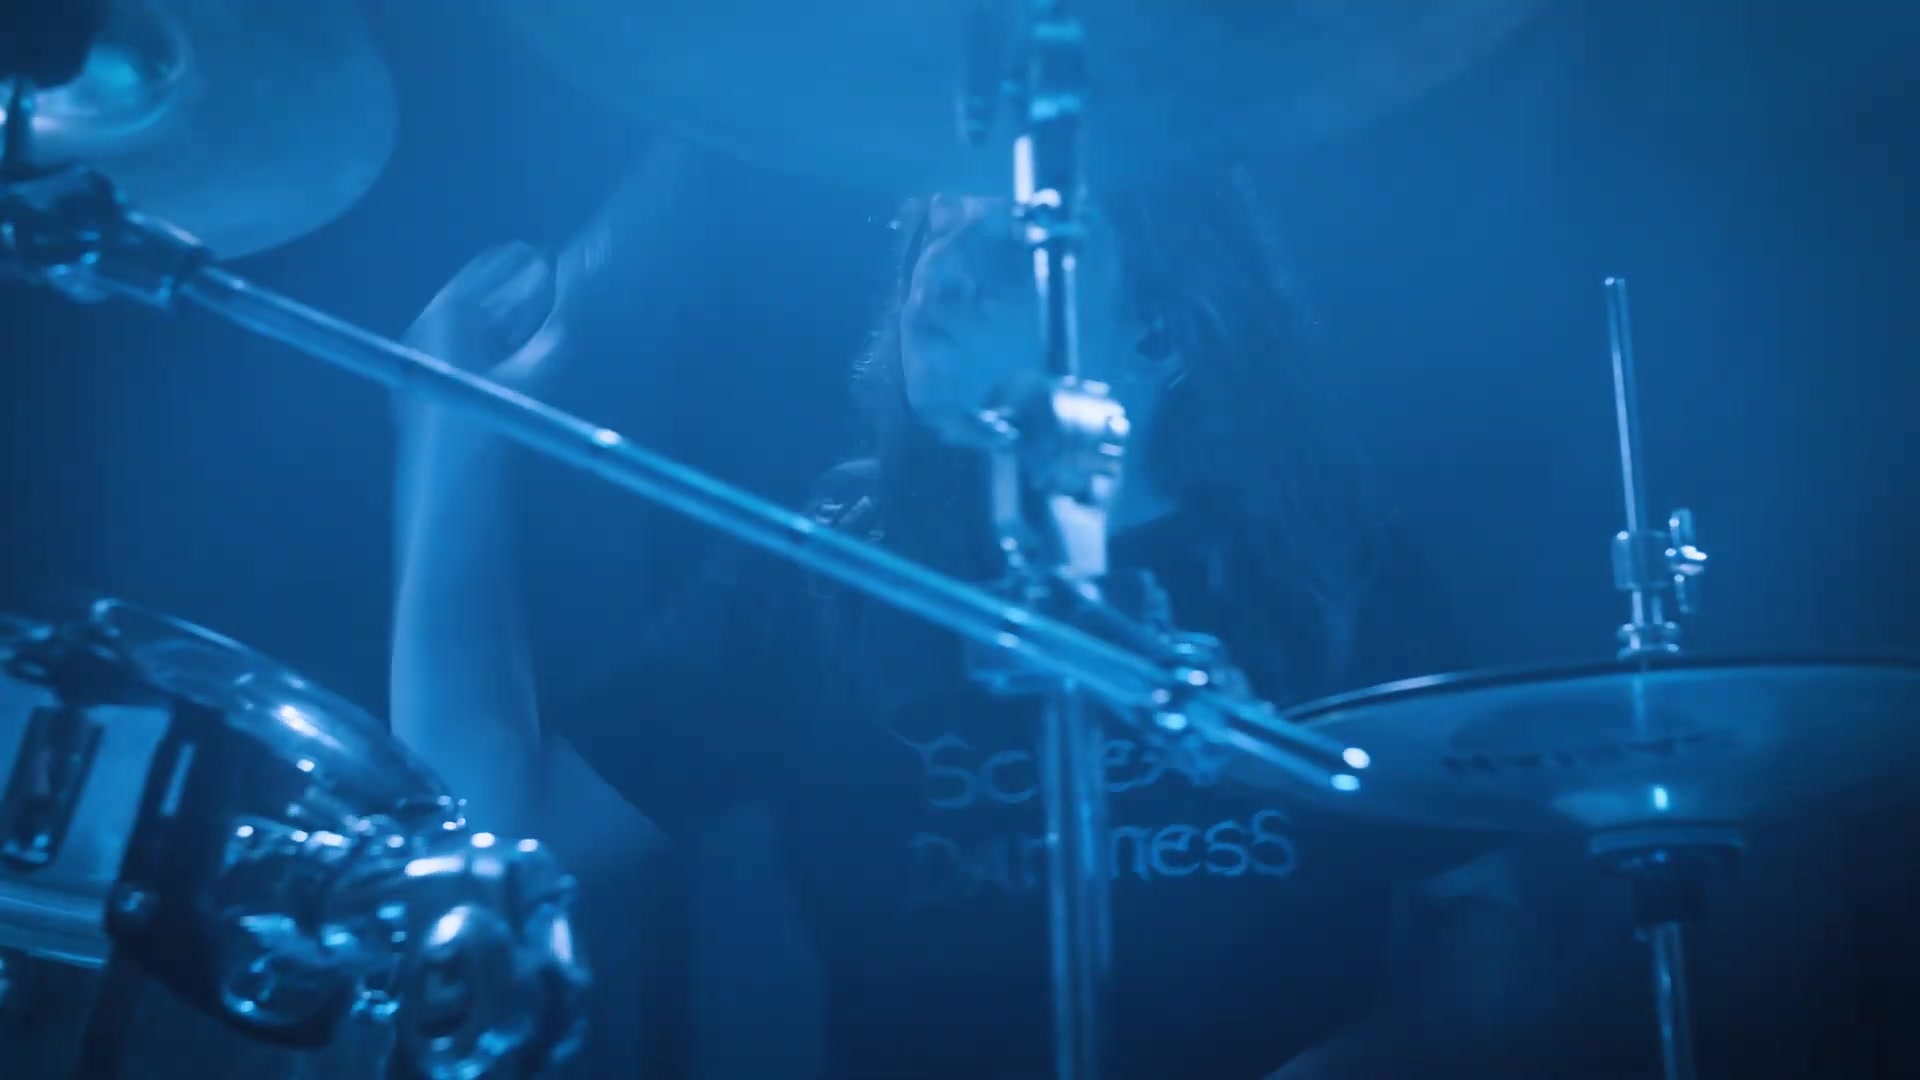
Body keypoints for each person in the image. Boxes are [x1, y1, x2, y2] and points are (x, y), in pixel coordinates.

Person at [391, 140, 1546, 1078]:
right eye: (932, 229)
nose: (936, 273)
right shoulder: (823, 579)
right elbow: (485, 840)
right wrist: (451, 434)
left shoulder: (1334, 577)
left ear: (1162, 329)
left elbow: (1486, 927)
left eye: (1008, 241)